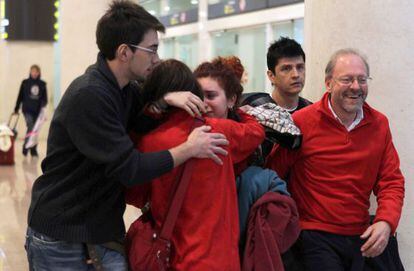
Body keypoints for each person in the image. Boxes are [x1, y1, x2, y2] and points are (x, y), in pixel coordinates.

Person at [25, 1, 228, 270]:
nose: (157, 59)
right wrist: (189, 148)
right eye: (152, 49)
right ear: (124, 52)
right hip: (61, 236)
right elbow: (130, 169)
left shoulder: (124, 90)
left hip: (99, 231)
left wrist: (163, 100)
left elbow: (139, 123)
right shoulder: (90, 95)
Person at [266, 48, 405, 270]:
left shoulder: (379, 124)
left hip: (361, 234)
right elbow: (273, 172)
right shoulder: (302, 121)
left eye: (362, 79)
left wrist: (386, 222)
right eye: (347, 79)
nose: (356, 87)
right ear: (328, 83)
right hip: (313, 234)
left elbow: (391, 181)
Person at [126, 58, 265, 270]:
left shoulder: (148, 142)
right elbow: (256, 132)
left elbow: (133, 194)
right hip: (220, 260)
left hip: (172, 259)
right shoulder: (219, 130)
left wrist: (153, 110)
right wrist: (238, 107)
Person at [14, 64, 47, 157]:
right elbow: (20, 96)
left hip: (38, 111)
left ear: (39, 72)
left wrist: (43, 108)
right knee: (31, 125)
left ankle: (33, 150)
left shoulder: (42, 84)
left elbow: (45, 99)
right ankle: (26, 146)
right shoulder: (25, 83)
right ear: (30, 72)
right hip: (27, 110)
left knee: (35, 129)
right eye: (32, 71)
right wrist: (16, 108)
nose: (34, 73)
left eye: (36, 71)